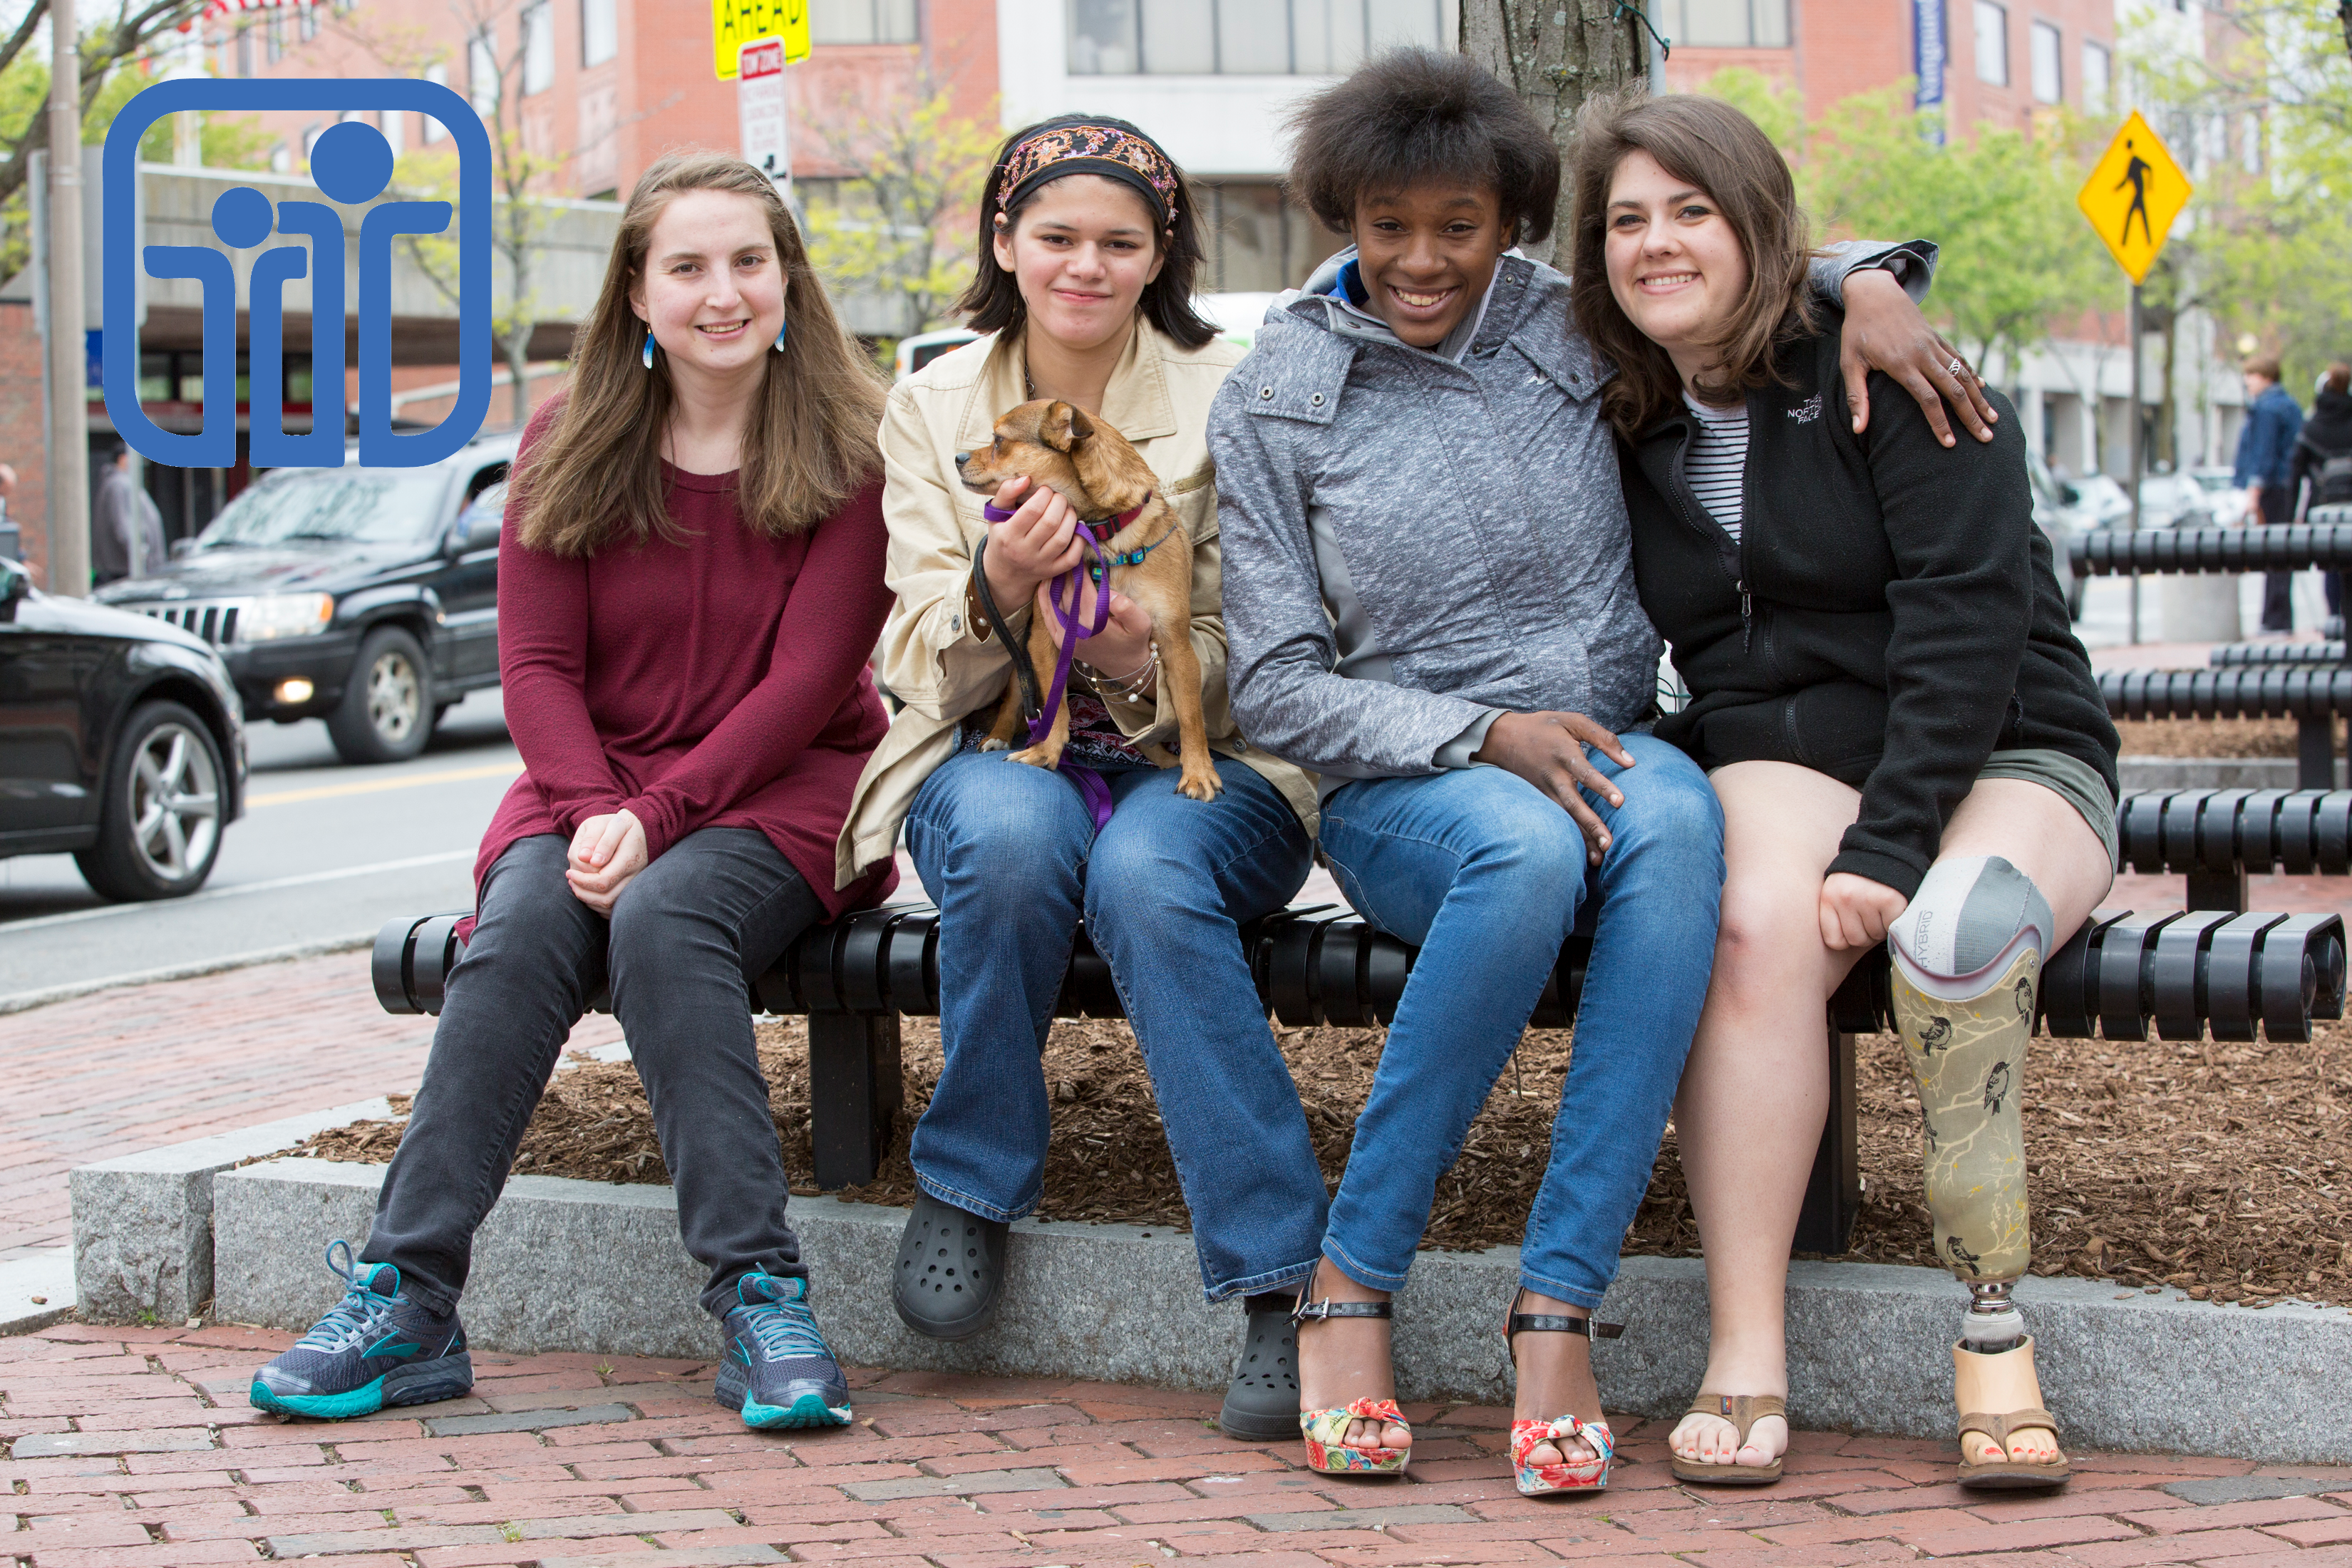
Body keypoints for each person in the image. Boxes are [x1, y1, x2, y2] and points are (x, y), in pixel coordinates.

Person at [1212, 49, 1989, 1495]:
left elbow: (1714, 262)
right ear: (1344, 220)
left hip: (1622, 747)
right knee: (1528, 849)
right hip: (1409, 789)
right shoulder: (1278, 397)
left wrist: (1871, 279)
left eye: (1459, 222)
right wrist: (1477, 733)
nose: (1424, 257)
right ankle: (1352, 1277)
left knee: (1681, 826)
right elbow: (1271, 680)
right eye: (1390, 225)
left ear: (1508, 216)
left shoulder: (1569, 329)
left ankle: (1559, 1299)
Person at [251, 151, 895, 1431]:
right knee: (527, 922)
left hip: (790, 790)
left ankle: (761, 1295)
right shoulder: (567, 440)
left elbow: (808, 684)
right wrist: (598, 804)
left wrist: (651, 823)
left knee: (667, 917)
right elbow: (534, 665)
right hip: (589, 785)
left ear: (788, 280)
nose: (724, 293)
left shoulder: (854, 442)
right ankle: (408, 1297)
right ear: (638, 292)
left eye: (749, 263)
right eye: (689, 267)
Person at [1569, 91, 2119, 1490]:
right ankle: (1747, 1348)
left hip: (2004, 742)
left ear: (1759, 225)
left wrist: (1888, 842)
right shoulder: (1618, 407)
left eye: (1692, 210)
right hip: (1783, 748)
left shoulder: (1892, 366)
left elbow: (1971, 620)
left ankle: (1994, 1326)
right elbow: (1428, 276)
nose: (1657, 243)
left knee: (1955, 938)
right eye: (1628, 219)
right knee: (1750, 925)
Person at [833, 115, 1327, 1443]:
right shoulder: (937, 405)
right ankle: (972, 1179)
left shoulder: (1239, 392)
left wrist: (1137, 659)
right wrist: (1001, 586)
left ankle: (1284, 1279)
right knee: (1006, 832)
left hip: (1208, 765)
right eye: (1056, 236)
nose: (1086, 265)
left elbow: (1285, 645)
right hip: (1000, 743)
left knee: (1146, 872)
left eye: (1121, 241)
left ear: (1161, 253)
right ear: (1007, 243)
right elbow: (909, 654)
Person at [2237, 354, 2306, 633]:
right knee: (2281, 551)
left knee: (2274, 552)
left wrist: (2253, 491)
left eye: (2251, 375)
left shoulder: (2267, 408)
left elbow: (2263, 452)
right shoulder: (2289, 404)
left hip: (2272, 487)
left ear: (2266, 376)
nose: (2247, 381)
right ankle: (2277, 618)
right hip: (2286, 485)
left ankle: (2275, 619)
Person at [2293, 363, 2352, 619]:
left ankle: (2335, 624)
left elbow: (2295, 473)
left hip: (2323, 507)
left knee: (2332, 566)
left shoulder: (2311, 427)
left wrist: (2292, 515)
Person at [91, 441, 167, 584]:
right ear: (123, 458)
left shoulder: (123, 483)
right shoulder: (118, 485)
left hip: (127, 568)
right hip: (124, 571)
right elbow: (123, 528)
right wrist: (141, 559)